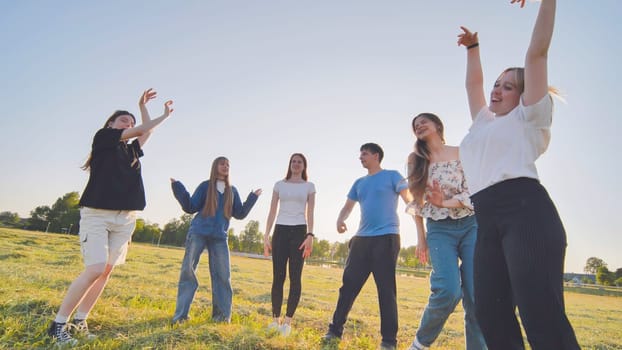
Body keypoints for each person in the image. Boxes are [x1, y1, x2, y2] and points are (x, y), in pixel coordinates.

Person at [457, 0, 580, 348]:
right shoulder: (482, 123)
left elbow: (537, 53)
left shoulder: (529, 117)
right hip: (487, 220)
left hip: (527, 214)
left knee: (539, 313)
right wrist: (473, 49)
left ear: (525, 94)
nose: (497, 89)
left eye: (508, 86)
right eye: (497, 83)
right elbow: (473, 86)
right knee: (490, 314)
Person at [48, 89, 174, 344]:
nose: (129, 125)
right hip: (97, 214)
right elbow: (142, 129)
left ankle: (81, 320)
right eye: (123, 121)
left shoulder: (131, 151)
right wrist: (158, 115)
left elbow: (145, 131)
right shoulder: (104, 138)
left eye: (131, 121)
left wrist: (146, 110)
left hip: (125, 217)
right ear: (111, 125)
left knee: (105, 271)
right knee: (94, 268)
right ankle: (58, 325)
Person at [405, 113, 486, 350]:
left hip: (471, 226)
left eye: (423, 122)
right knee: (448, 291)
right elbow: (417, 201)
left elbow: (473, 191)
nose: (419, 126)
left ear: (438, 125)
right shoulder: (415, 159)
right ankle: (420, 344)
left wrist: (445, 203)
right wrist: (421, 238)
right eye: (415, 125)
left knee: (475, 295)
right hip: (439, 229)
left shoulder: (461, 152)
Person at [322, 143, 410, 350]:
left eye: (364, 154)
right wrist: (340, 219)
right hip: (361, 240)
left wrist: (415, 206)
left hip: (386, 238)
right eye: (360, 154)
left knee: (386, 290)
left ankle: (389, 341)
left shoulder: (392, 175)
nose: (360, 157)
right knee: (348, 287)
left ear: (376, 155)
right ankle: (334, 331)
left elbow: (408, 197)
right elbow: (347, 206)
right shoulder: (359, 182)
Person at [170, 156, 262, 324]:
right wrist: (178, 187)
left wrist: (252, 198)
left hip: (220, 236)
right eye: (222, 163)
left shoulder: (232, 191)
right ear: (215, 166)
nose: (226, 166)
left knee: (223, 276)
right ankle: (180, 316)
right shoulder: (206, 186)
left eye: (228, 164)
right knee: (188, 272)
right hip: (198, 232)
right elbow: (190, 206)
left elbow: (240, 213)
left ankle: (221, 317)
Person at [263, 153, 316, 336]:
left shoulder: (309, 186)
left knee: (295, 277)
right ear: (289, 164)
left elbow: (310, 212)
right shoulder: (279, 185)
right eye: (293, 161)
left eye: (299, 162)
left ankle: (287, 322)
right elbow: (272, 211)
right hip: (280, 231)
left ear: (304, 166)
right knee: (278, 277)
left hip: (299, 232)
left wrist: (310, 235)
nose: (296, 164)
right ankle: (275, 319)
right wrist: (266, 235)